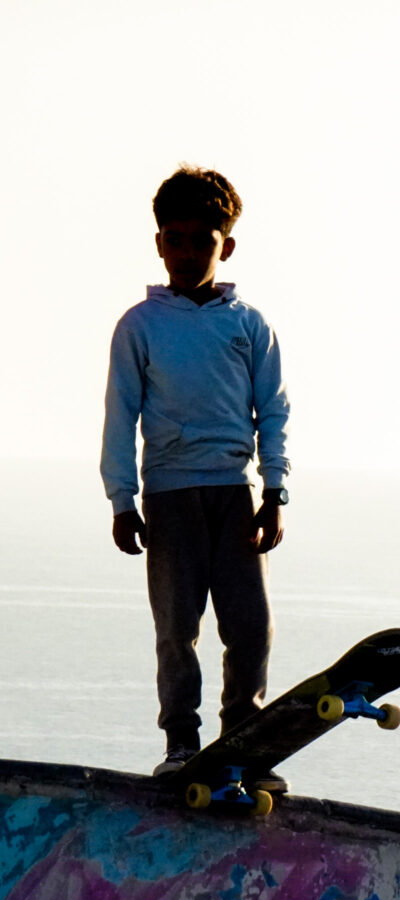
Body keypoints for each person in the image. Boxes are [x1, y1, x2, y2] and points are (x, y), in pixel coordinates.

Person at [100, 165, 291, 788]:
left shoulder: (248, 325)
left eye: (200, 241)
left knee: (251, 629)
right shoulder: (140, 325)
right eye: (174, 240)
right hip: (169, 494)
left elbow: (273, 411)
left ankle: (243, 744)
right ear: (159, 243)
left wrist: (275, 491)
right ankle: (182, 744)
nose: (185, 253)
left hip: (236, 493)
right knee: (176, 630)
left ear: (225, 246)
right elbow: (121, 414)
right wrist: (122, 500)